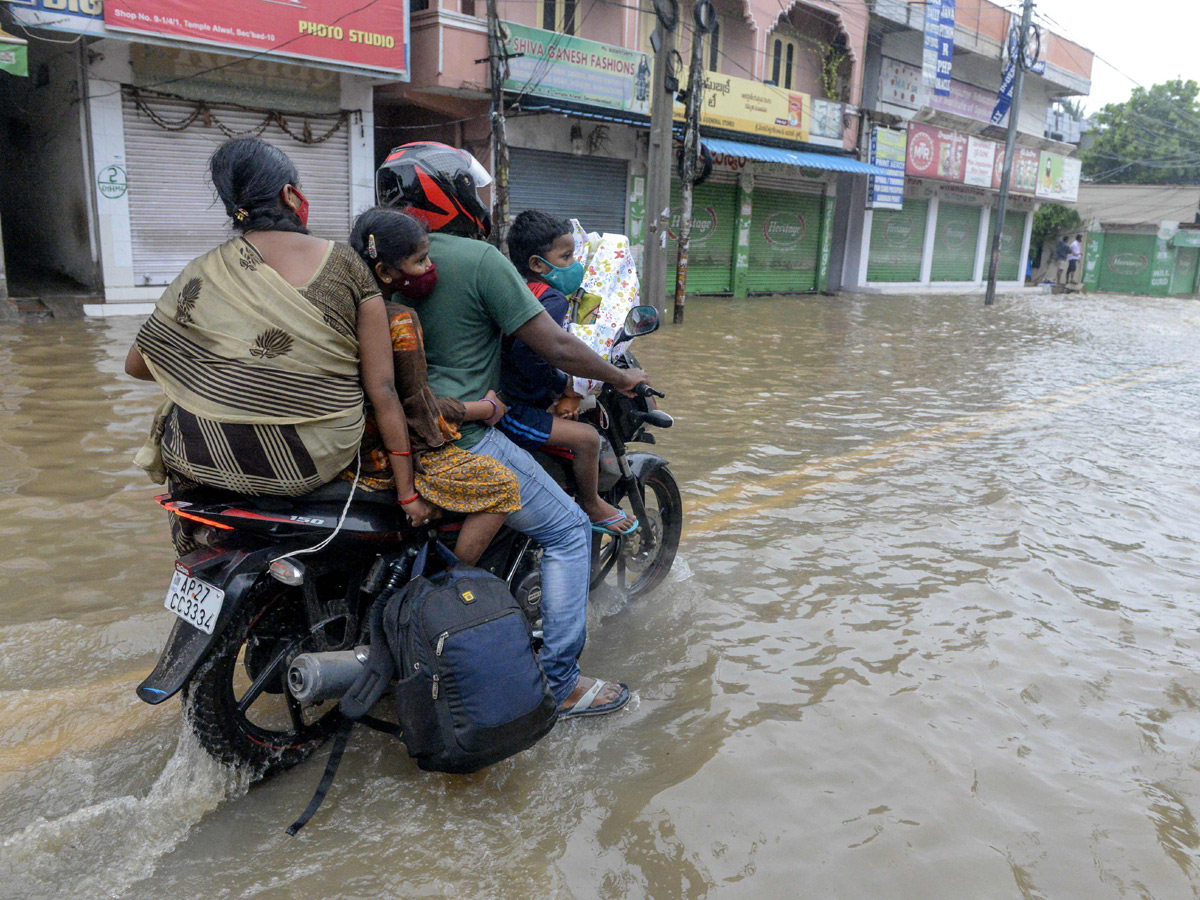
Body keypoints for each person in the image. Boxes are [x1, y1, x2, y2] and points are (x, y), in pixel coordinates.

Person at [376, 142, 652, 718]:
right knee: (571, 531)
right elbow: (553, 345)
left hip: (392, 435)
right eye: (472, 190)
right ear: (448, 193)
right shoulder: (478, 261)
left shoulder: (376, 263)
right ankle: (562, 681)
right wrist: (616, 377)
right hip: (467, 433)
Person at [124, 137, 422, 551]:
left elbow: (137, 366)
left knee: (179, 410)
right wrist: (407, 492)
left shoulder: (203, 270)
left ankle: (196, 540)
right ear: (291, 195)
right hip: (306, 462)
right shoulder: (346, 264)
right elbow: (383, 389)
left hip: (197, 457)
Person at [346, 207, 521, 565]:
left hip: (346, 445)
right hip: (385, 455)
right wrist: (408, 493)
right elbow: (411, 404)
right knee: (504, 487)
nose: (429, 268)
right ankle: (450, 584)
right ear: (384, 272)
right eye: (420, 260)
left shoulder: (342, 309)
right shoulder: (399, 321)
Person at [501, 209, 637, 537]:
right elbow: (533, 355)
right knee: (588, 439)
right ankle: (591, 504)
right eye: (566, 256)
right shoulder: (549, 299)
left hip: (503, 394)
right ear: (537, 264)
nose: (575, 264)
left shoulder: (517, 288)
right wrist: (565, 385)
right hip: (514, 409)